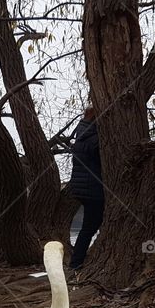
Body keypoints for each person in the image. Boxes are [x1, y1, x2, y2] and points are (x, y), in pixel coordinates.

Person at [66, 107, 104, 270]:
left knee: (89, 227)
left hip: (84, 188)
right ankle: (76, 263)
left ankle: (77, 261)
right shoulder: (94, 138)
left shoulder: (82, 135)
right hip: (93, 189)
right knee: (90, 227)